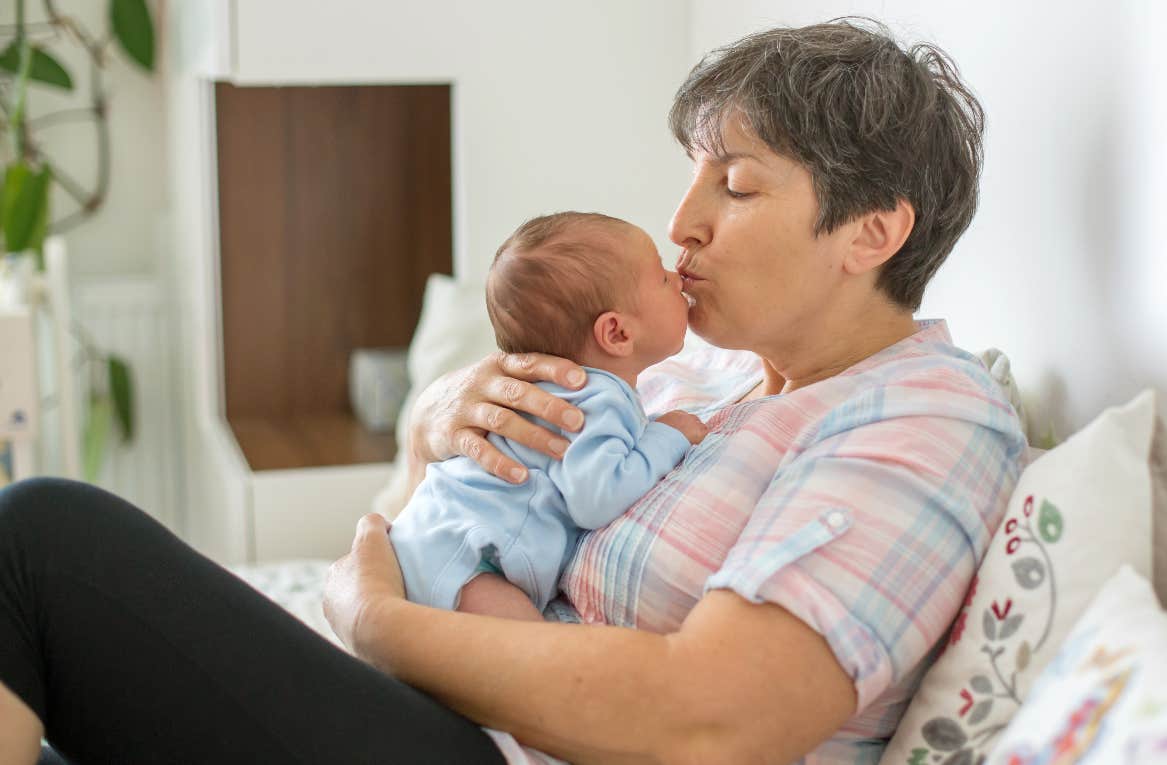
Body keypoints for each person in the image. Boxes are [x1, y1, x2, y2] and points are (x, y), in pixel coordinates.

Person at [0, 18, 1026, 765]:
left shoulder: (926, 416)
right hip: (453, 711)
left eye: (737, 185)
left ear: (871, 233)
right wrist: (441, 431)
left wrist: (376, 618)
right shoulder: (708, 375)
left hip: (500, 750)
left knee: (42, 540)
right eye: (694, 176)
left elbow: (713, 719)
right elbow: (449, 503)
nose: (683, 222)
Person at [392, 212, 707, 618]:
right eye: (663, 280)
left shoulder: (560, 390)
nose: (678, 278)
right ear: (617, 333)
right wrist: (669, 434)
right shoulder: (594, 399)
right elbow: (596, 498)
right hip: (470, 557)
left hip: (429, 535)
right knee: (530, 649)